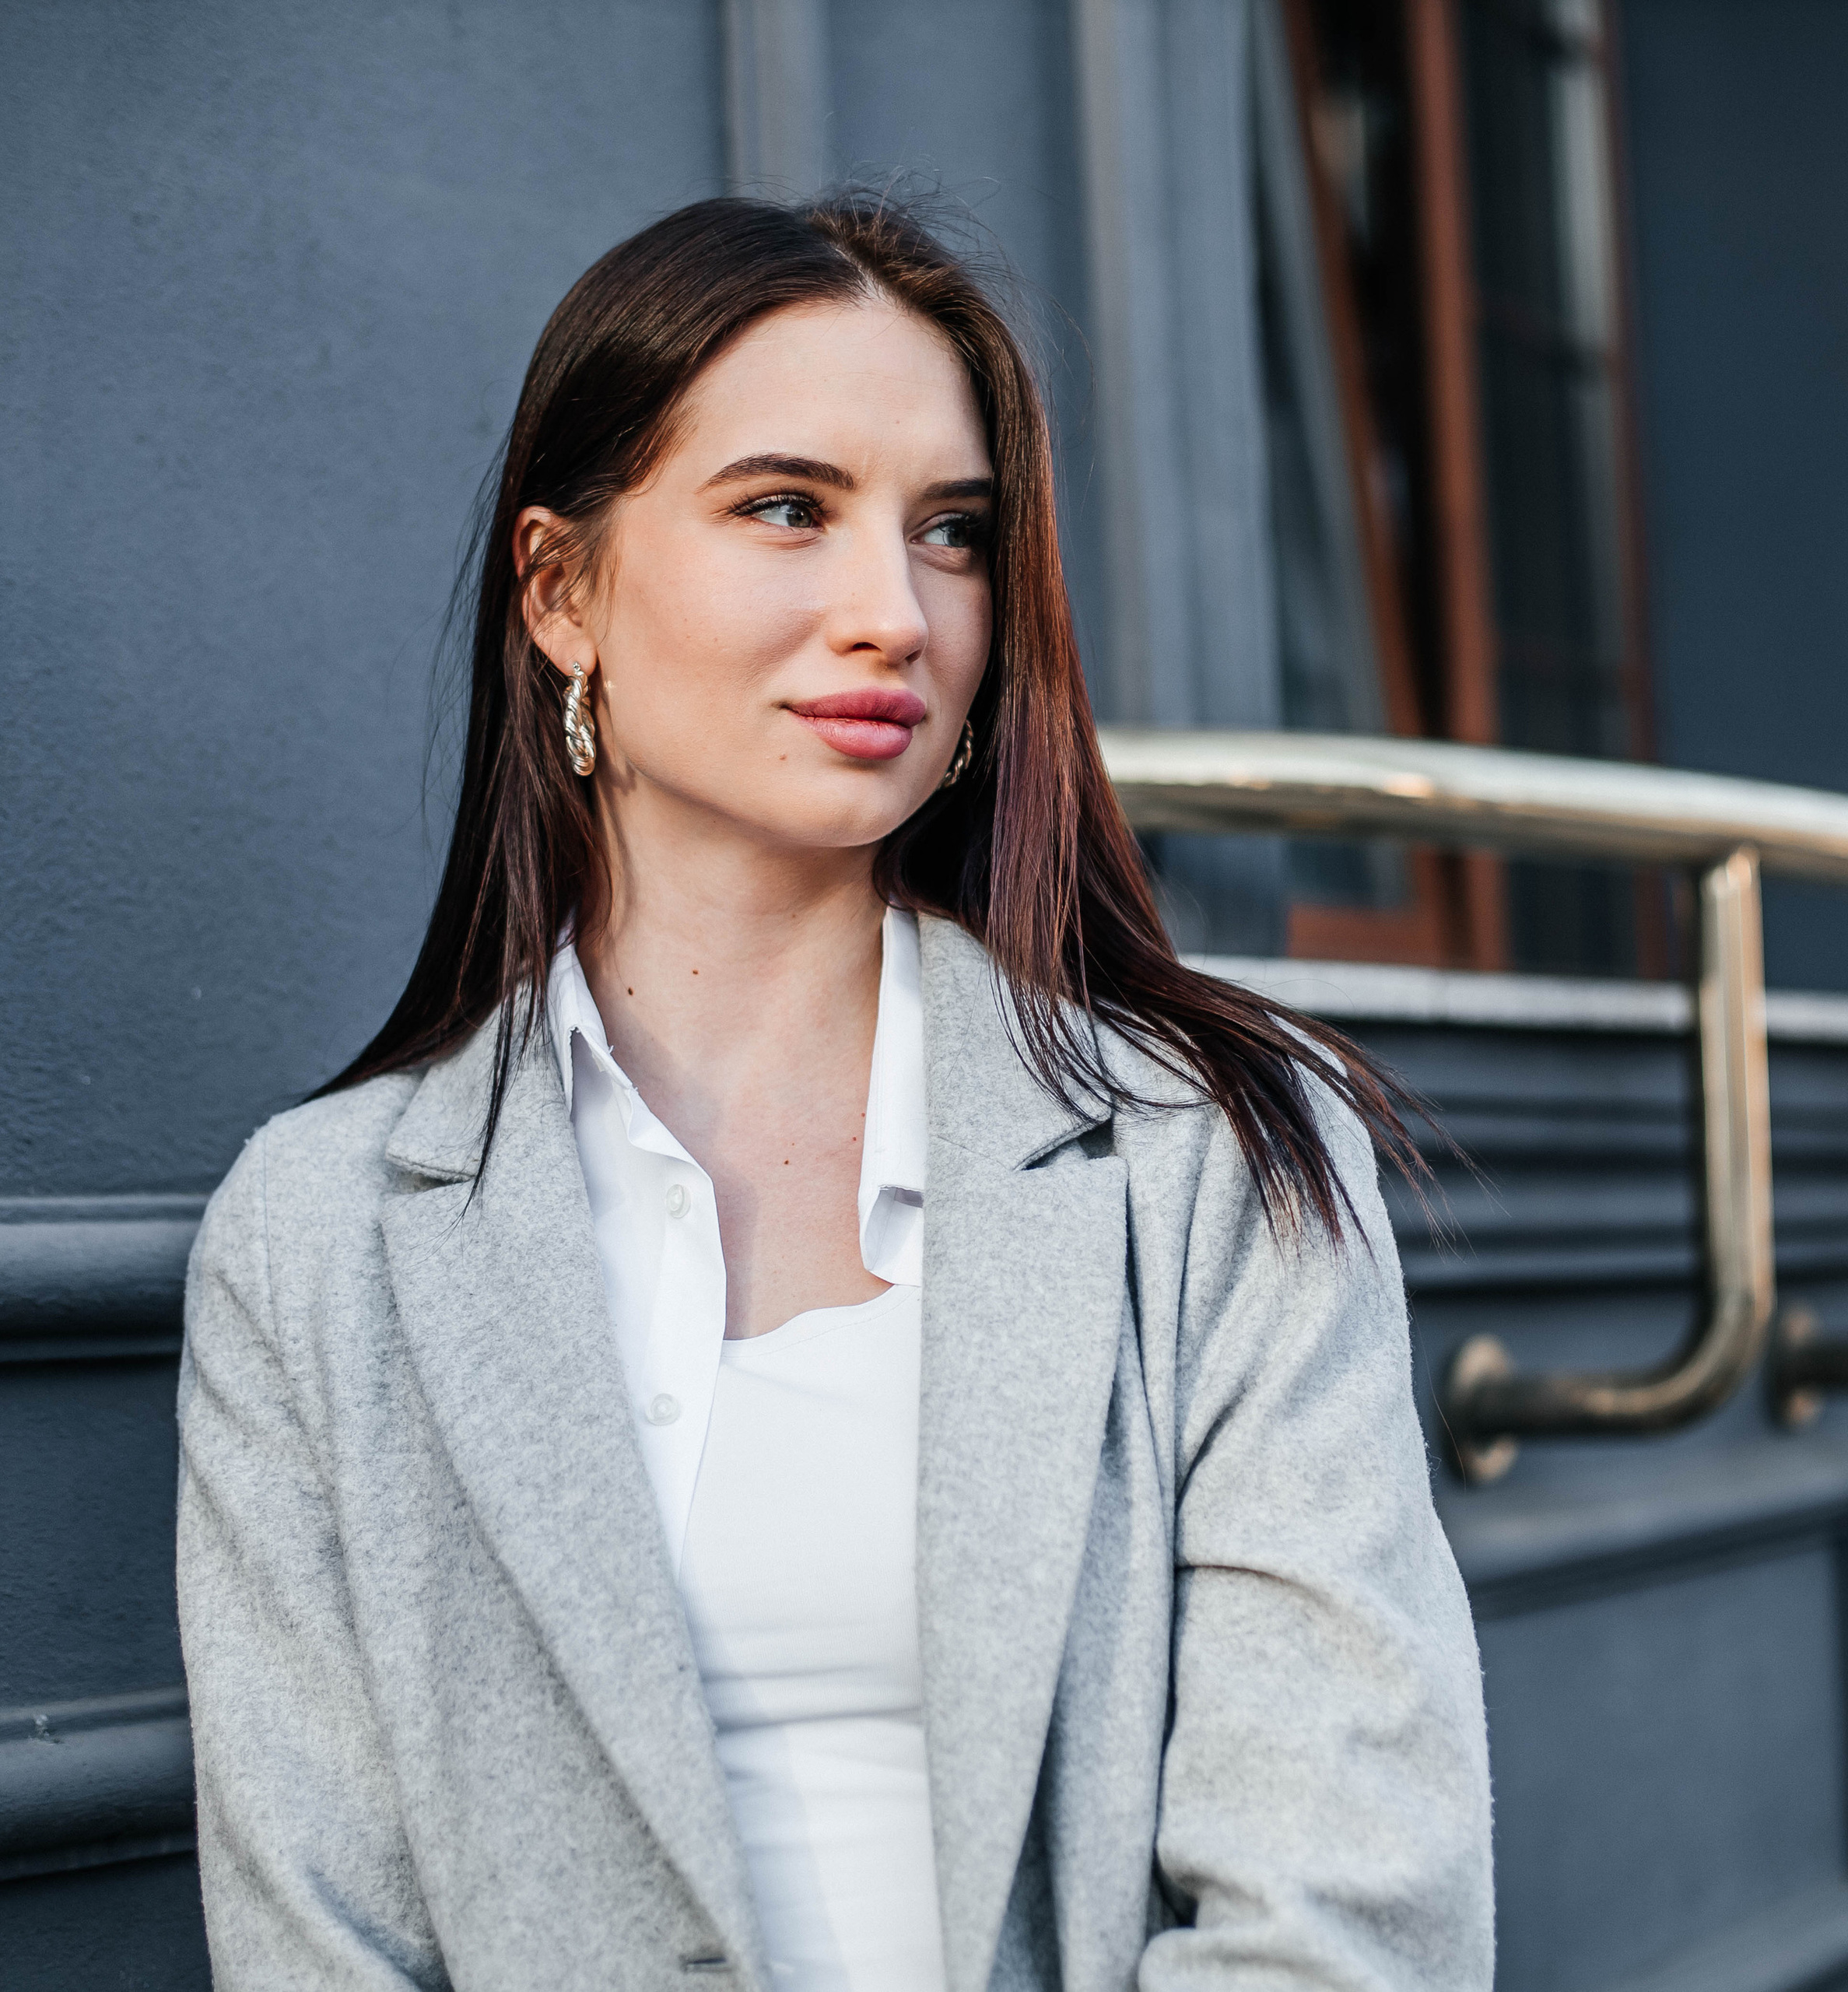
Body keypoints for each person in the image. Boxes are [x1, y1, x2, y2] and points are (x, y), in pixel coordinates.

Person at [177, 192, 1492, 1992]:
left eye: (949, 533)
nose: (893, 612)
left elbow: (1350, 1917)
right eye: (787, 507)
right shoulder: (316, 1237)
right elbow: (316, 1938)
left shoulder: (1216, 1158)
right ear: (562, 593)